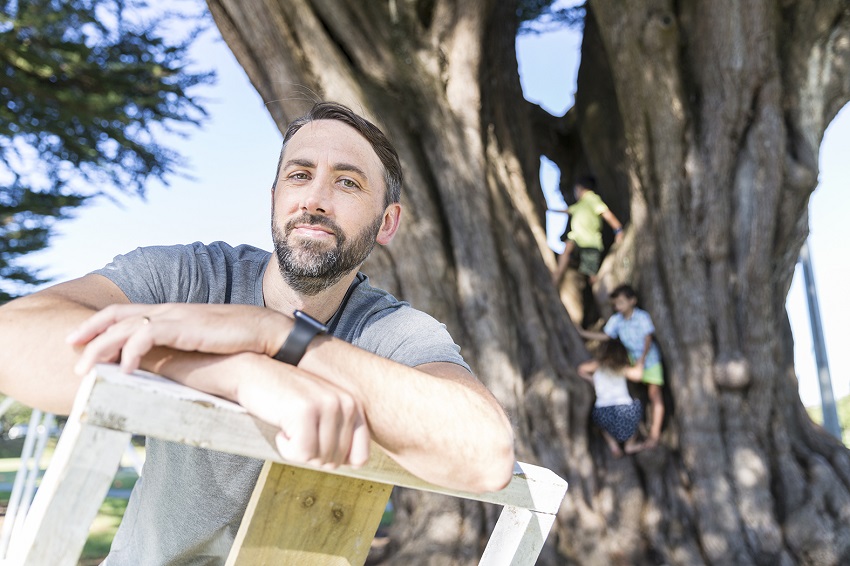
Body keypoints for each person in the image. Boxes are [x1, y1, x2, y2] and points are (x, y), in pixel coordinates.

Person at [0, 102, 516, 564]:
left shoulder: (393, 330)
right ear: (274, 197)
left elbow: (486, 454)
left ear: (387, 222)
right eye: (299, 174)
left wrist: (272, 335)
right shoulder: (189, 276)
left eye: (347, 182)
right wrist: (233, 371)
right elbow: (13, 335)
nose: (314, 199)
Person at [579, 284, 665, 450]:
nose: (618, 306)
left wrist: (642, 360)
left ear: (632, 301)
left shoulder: (641, 317)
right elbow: (606, 335)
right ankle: (636, 432)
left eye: (621, 302)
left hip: (649, 360)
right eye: (616, 303)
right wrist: (583, 334)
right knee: (632, 392)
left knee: (655, 394)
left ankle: (655, 434)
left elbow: (648, 338)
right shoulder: (616, 320)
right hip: (631, 361)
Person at [550, 175, 624, 288]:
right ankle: (558, 273)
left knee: (591, 275)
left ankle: (595, 287)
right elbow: (567, 210)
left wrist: (618, 229)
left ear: (579, 188)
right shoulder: (580, 204)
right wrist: (549, 209)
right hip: (576, 238)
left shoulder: (592, 199)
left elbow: (606, 214)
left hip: (590, 242)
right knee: (567, 247)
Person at [577, 338, 646, 457]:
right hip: (625, 411)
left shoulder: (598, 366)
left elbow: (581, 369)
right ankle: (630, 444)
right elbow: (638, 375)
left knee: (602, 425)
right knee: (637, 406)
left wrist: (592, 380)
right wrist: (641, 361)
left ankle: (613, 445)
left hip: (603, 412)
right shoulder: (621, 368)